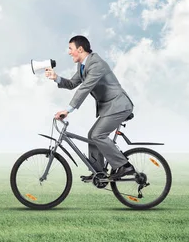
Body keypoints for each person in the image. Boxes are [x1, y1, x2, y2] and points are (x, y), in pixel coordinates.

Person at [45, 35, 136, 180]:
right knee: (92, 136)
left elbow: (85, 88)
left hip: (119, 106)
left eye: (70, 49)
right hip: (109, 108)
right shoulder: (83, 66)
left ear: (80, 49)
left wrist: (68, 110)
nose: (69, 52)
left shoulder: (96, 64)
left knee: (97, 135)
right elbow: (71, 84)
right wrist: (56, 77)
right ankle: (98, 172)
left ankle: (125, 166)